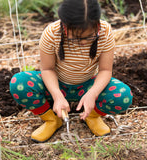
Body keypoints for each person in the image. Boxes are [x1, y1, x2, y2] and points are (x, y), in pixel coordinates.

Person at [9, 0, 133, 142]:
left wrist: (92, 94)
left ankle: (92, 116)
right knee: (19, 82)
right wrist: (57, 95)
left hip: (87, 86)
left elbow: (105, 70)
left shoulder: (105, 32)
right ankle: (51, 120)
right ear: (65, 26)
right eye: (76, 37)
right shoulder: (51, 33)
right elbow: (47, 69)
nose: (83, 42)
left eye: (89, 36)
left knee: (123, 96)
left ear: (97, 24)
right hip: (56, 85)